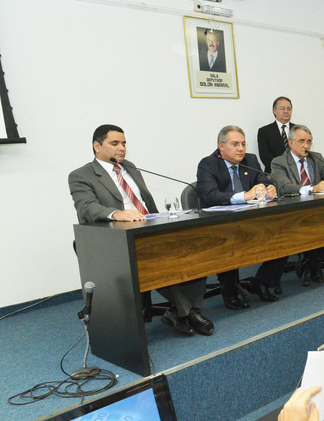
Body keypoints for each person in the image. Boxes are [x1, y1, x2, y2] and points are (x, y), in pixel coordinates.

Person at [68, 124, 214, 337]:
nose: (122, 148)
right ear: (97, 146)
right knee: (156, 259)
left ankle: (180, 311)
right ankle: (189, 313)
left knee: (195, 248)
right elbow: (86, 207)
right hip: (118, 237)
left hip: (150, 226)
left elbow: (146, 203)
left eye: (124, 143)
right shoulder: (81, 175)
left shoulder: (129, 167)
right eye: (115, 143)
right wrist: (116, 213)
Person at [196, 125, 287, 309]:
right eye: (235, 144)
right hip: (221, 223)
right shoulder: (208, 164)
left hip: (251, 218)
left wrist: (270, 190)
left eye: (243, 144)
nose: (241, 149)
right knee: (230, 242)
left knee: (283, 235)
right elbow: (210, 195)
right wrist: (244, 196)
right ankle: (229, 292)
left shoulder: (250, 160)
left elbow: (263, 183)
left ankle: (260, 282)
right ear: (221, 146)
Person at [270, 124, 324, 283]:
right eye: (301, 141)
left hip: (318, 208)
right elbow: (285, 187)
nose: (306, 146)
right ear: (291, 143)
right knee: (311, 227)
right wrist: (312, 188)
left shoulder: (316, 157)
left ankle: (308, 260)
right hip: (293, 210)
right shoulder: (279, 162)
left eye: (309, 141)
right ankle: (315, 267)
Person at [257, 96, 294, 171]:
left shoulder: (298, 130)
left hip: (296, 173)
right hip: (274, 172)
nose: (286, 111)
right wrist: (282, 168)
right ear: (274, 111)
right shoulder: (264, 131)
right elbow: (265, 156)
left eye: (289, 109)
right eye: (282, 108)